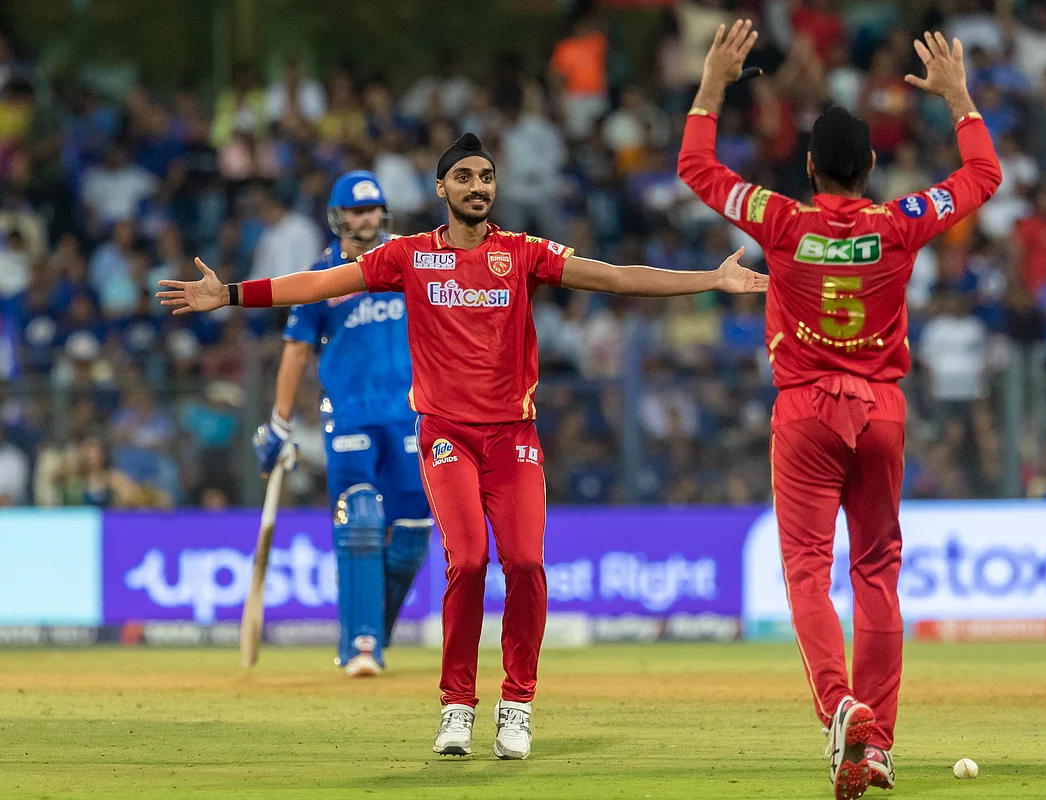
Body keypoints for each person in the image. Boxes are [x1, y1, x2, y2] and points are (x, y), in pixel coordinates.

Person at [159, 133, 766, 761]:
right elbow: (318, 285)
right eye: (465, 177)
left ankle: (517, 705)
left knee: (525, 562)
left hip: (512, 438)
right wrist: (231, 294)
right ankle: (457, 705)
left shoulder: (523, 252)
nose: (478, 187)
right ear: (441, 188)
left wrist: (711, 279)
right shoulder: (408, 256)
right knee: (469, 559)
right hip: (445, 435)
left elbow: (614, 278)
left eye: (486, 177)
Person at [677, 21, 1000, 799]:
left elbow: (696, 167)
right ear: (873, 166)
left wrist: (715, 82)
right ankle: (876, 746)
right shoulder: (901, 221)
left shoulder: (781, 220)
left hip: (805, 414)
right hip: (881, 412)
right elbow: (983, 176)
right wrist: (959, 98)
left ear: (811, 166)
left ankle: (839, 704)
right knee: (877, 574)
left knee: (807, 574)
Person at [252, 170, 431, 678]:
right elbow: (296, 350)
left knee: (413, 535)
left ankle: (372, 625)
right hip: (350, 416)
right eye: (356, 210)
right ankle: (361, 645)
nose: (366, 218)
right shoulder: (321, 276)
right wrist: (280, 422)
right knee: (362, 521)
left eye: (372, 209)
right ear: (338, 216)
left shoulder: (410, 259)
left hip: (413, 416)